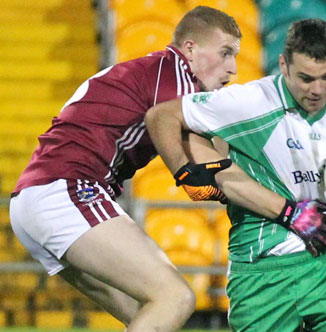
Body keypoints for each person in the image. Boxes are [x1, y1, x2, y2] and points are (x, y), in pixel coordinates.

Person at [146, 18, 326, 331]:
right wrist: (184, 169)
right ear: (284, 66)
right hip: (262, 274)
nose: (317, 90)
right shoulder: (249, 103)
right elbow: (161, 116)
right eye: (305, 78)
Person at [8, 6, 241, 332]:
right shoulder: (175, 78)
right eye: (225, 53)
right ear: (190, 49)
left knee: (148, 315)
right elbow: (206, 174)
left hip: (33, 198)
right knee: (175, 297)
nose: (233, 69)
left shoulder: (149, 70)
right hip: (68, 191)